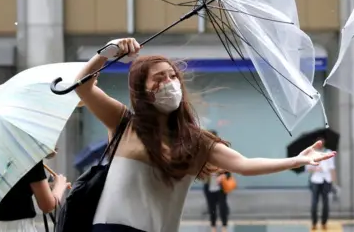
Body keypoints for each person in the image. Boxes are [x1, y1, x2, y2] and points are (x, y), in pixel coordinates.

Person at [75, 37, 336, 232]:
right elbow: (82, 87)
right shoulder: (124, 122)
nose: (169, 83)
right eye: (158, 78)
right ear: (141, 90)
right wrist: (107, 52)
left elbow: (244, 165)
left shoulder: (196, 140)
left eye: (172, 76)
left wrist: (296, 161)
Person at [0, 149, 71, 232]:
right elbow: (47, 205)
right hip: (18, 227)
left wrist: (48, 186)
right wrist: (60, 185)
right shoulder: (29, 156)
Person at [306, 137, 336, 230]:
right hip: (316, 180)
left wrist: (333, 181)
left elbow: (332, 168)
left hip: (326, 180)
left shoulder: (328, 152)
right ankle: (314, 222)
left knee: (325, 202)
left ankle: (324, 222)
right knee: (314, 202)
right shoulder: (312, 153)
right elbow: (308, 168)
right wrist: (315, 168)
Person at [202, 130, 230, 232]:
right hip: (209, 185)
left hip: (220, 186)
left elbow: (229, 168)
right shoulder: (204, 153)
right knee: (211, 208)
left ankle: (224, 227)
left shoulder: (221, 151)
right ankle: (213, 227)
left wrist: (223, 175)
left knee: (222, 207)